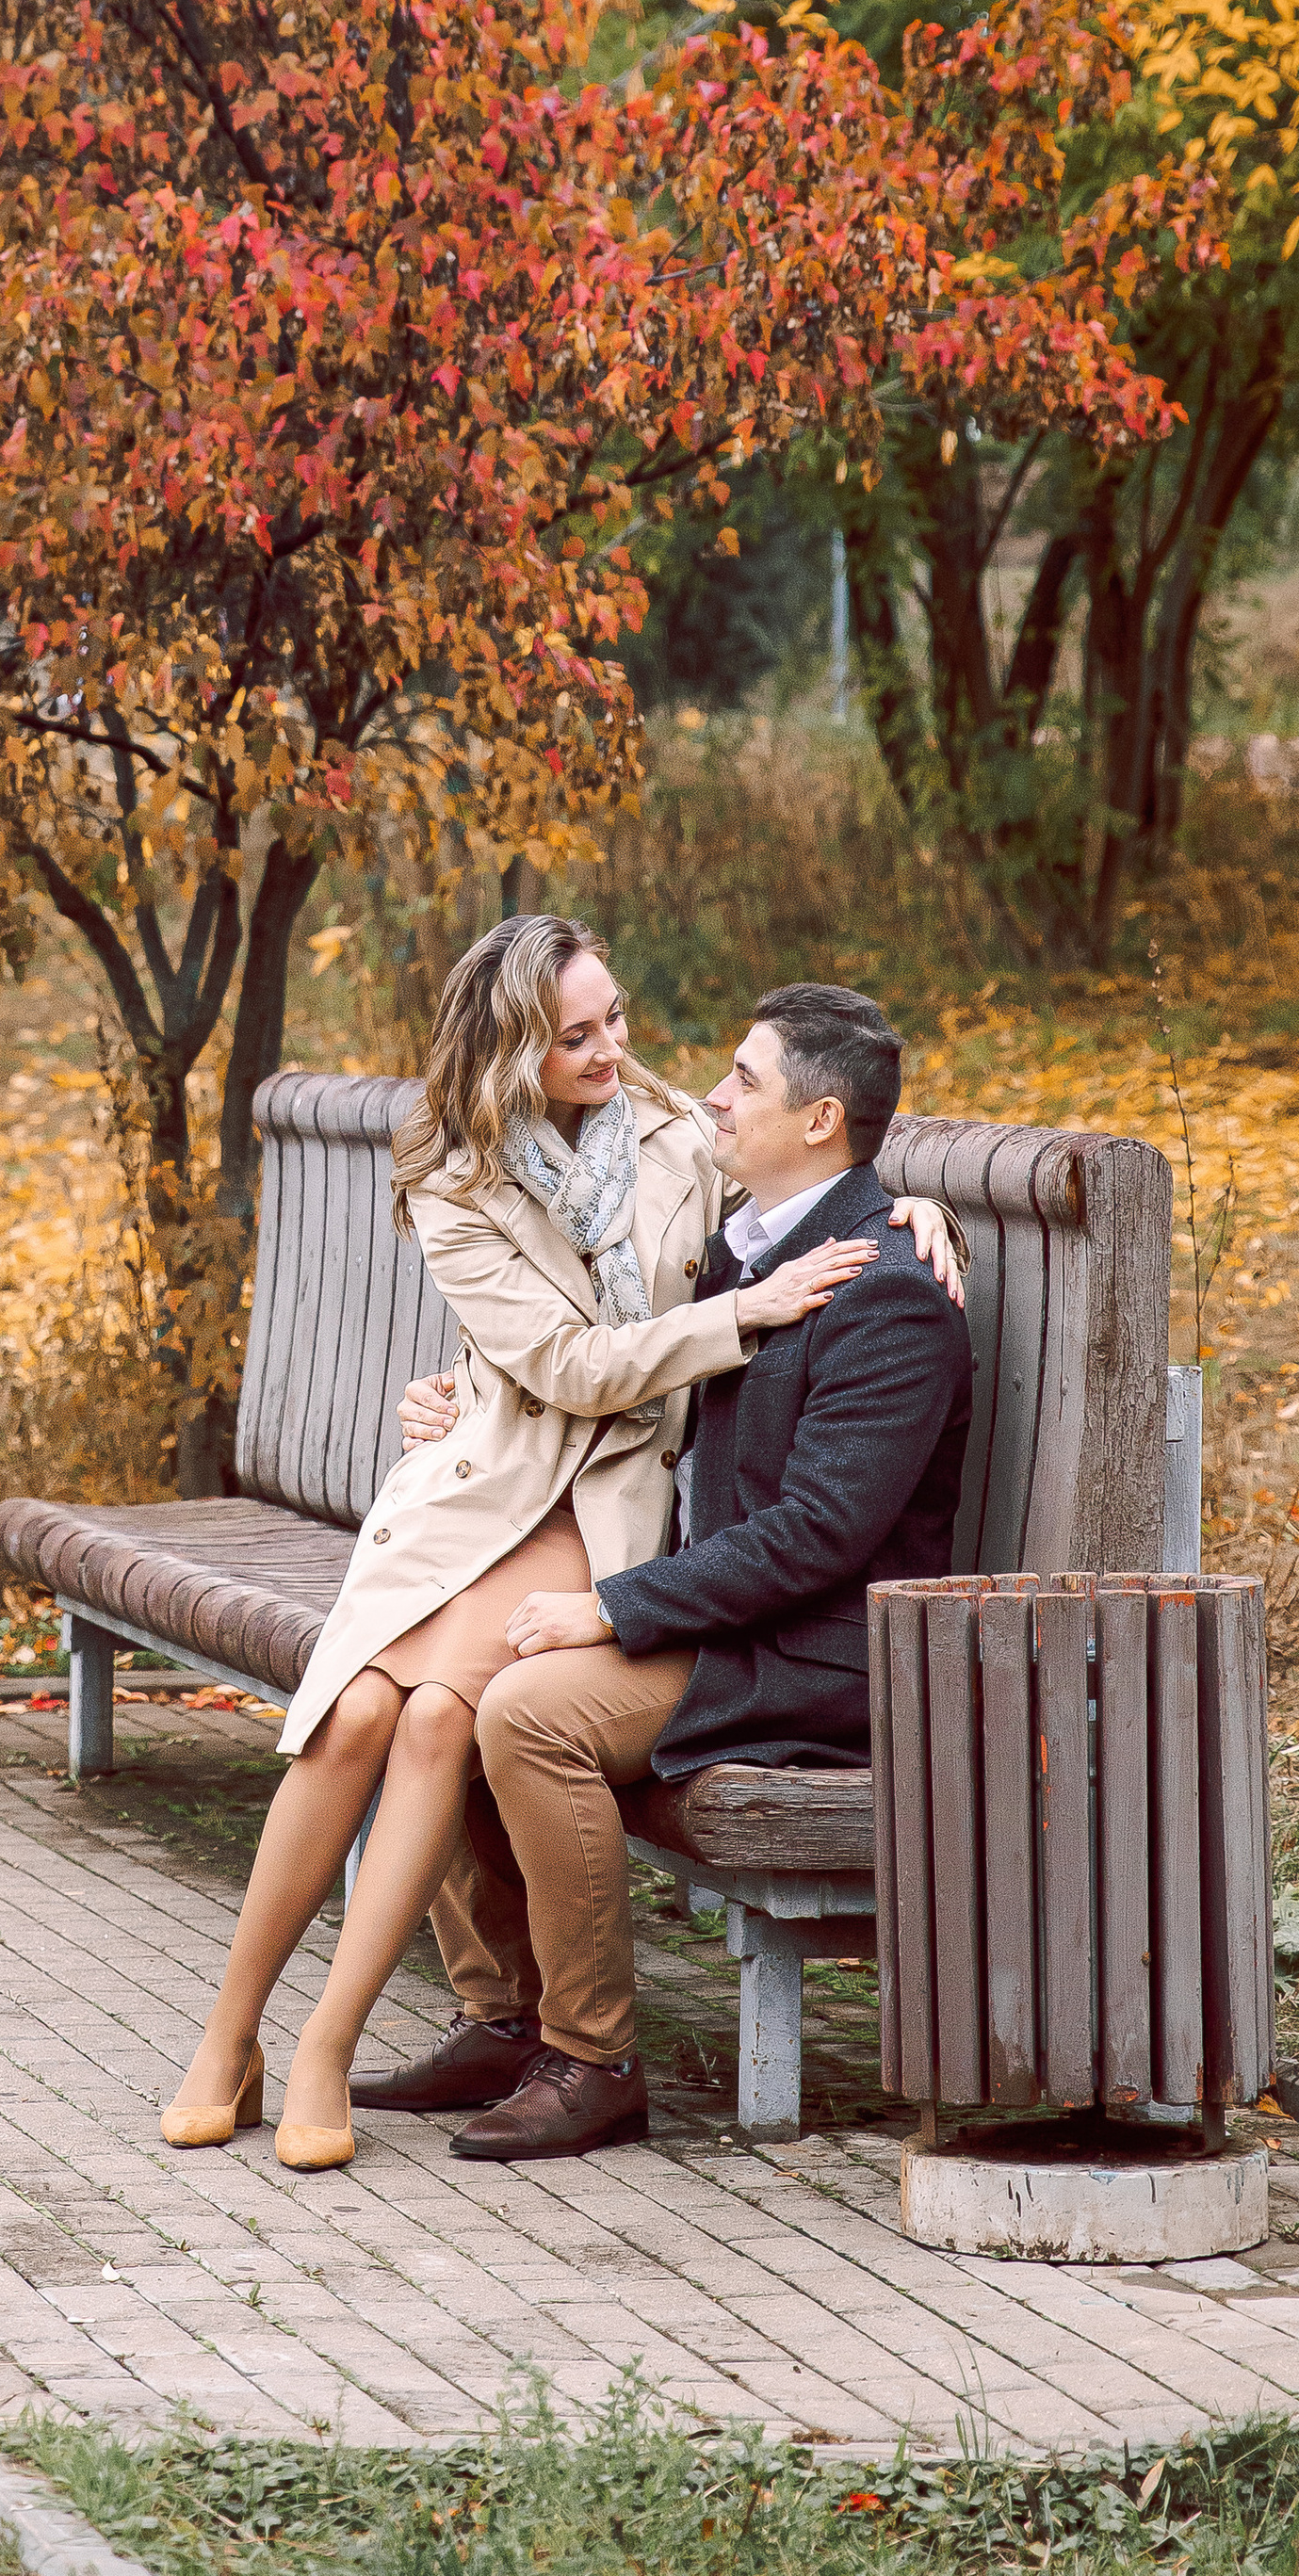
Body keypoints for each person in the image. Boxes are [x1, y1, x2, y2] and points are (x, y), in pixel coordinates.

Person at [159, 919, 960, 2172]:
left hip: (615, 1505)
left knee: (453, 1716)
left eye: (615, 1021)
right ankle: (236, 2031)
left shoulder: (668, 1133)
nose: (618, 1053)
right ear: (512, 1051)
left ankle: (368, 2042)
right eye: (575, 1036)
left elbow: (817, 1168)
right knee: (367, 1706)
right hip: (495, 1485)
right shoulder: (454, 1179)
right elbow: (572, 1356)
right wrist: (494, 1382)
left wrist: (915, 1201)